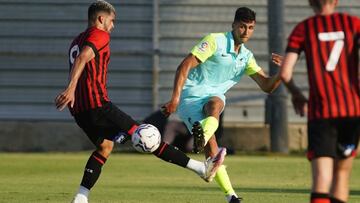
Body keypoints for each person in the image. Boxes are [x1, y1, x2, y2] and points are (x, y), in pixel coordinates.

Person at [54, 1, 226, 203]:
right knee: (145, 134)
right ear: (101, 19)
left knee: (105, 148)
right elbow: (83, 58)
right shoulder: (100, 34)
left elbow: (79, 59)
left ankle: (81, 197)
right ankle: (201, 169)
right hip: (98, 105)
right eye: (112, 21)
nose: (113, 26)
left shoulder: (76, 39)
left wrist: (72, 91)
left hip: (80, 110)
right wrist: (71, 88)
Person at [162, 7, 282, 203]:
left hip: (213, 97)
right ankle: (206, 146)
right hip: (190, 97)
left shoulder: (246, 57)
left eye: (251, 28)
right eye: (242, 26)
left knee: (216, 104)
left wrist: (283, 73)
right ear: (234, 25)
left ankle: (231, 197)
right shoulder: (214, 41)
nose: (246, 32)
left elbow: (267, 86)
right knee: (213, 151)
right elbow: (184, 66)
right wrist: (174, 99)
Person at [279, 0, 360, 203]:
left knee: (322, 178)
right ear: (336, 1)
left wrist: (297, 94)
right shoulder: (353, 23)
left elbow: (285, 73)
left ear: (310, 2)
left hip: (321, 112)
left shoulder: (303, 29)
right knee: (341, 175)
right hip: (351, 110)